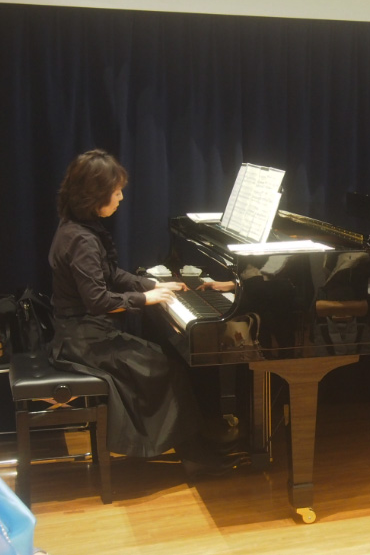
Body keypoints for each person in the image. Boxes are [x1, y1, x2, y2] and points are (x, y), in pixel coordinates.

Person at [48, 149, 240, 476]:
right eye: (116, 191)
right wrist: (146, 298)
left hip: (85, 333)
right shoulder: (80, 240)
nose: (121, 197)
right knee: (167, 368)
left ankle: (198, 442)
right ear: (95, 194)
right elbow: (97, 300)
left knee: (166, 360)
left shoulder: (79, 227)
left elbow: (110, 274)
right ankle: (195, 456)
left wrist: (151, 283)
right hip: (82, 341)